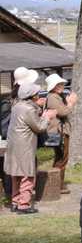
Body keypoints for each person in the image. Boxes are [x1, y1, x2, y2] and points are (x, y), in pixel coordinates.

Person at [3, 82, 56, 214]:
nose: (38, 95)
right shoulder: (28, 109)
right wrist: (47, 117)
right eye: (36, 93)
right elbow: (39, 127)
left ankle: (15, 202)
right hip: (25, 146)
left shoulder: (17, 106)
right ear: (32, 96)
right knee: (27, 175)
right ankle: (24, 205)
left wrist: (39, 107)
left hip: (14, 145)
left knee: (16, 175)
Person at [45, 73, 78, 194]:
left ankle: (57, 184)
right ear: (53, 86)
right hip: (59, 132)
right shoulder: (53, 97)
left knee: (60, 158)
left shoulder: (55, 96)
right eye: (59, 84)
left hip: (60, 131)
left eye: (62, 84)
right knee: (62, 159)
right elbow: (63, 112)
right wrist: (70, 103)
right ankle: (57, 185)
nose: (62, 86)